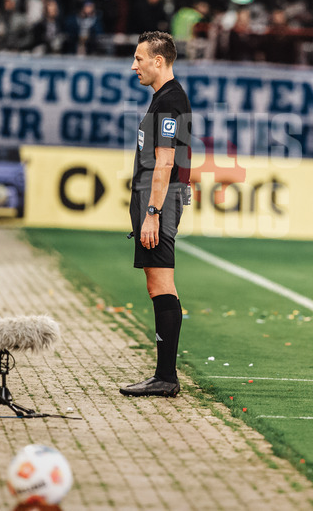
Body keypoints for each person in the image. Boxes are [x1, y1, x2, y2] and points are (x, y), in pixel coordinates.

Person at [120, 31, 192, 398]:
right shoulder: (166, 98)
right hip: (158, 198)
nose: (134, 66)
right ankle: (164, 374)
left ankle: (166, 377)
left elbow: (165, 162)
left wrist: (152, 212)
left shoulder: (170, 101)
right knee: (157, 285)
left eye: (139, 59)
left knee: (162, 285)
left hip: (159, 200)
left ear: (158, 61)